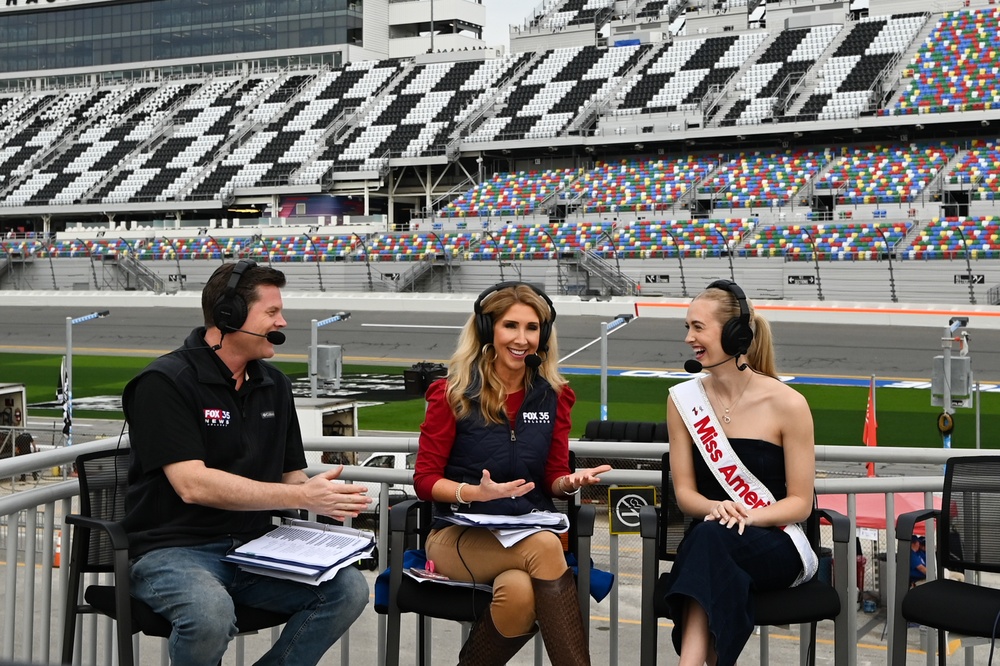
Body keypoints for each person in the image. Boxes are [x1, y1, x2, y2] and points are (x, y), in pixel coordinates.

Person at [121, 259, 370, 666]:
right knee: (209, 613)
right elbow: (193, 485)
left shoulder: (275, 384)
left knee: (348, 590)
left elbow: (291, 473)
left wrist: (324, 495)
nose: (282, 321)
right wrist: (300, 492)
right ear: (229, 316)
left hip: (255, 548)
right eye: (271, 312)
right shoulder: (163, 382)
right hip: (173, 551)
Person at [413, 282, 611, 666]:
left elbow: (553, 473)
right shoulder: (451, 393)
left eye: (532, 328)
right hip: (457, 535)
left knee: (519, 593)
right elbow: (424, 480)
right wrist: (473, 493)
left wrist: (569, 483)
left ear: (544, 334)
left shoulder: (554, 395)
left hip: (523, 529)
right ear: (488, 331)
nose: (522, 339)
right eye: (511, 326)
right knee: (546, 545)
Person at [664, 280, 818, 666]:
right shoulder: (682, 402)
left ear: (734, 334)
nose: (688, 338)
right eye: (688, 327)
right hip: (715, 536)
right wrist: (719, 508)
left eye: (698, 327)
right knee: (713, 544)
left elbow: (800, 504)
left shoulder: (789, 404)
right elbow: (685, 494)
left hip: (776, 543)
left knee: (709, 543)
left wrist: (744, 514)